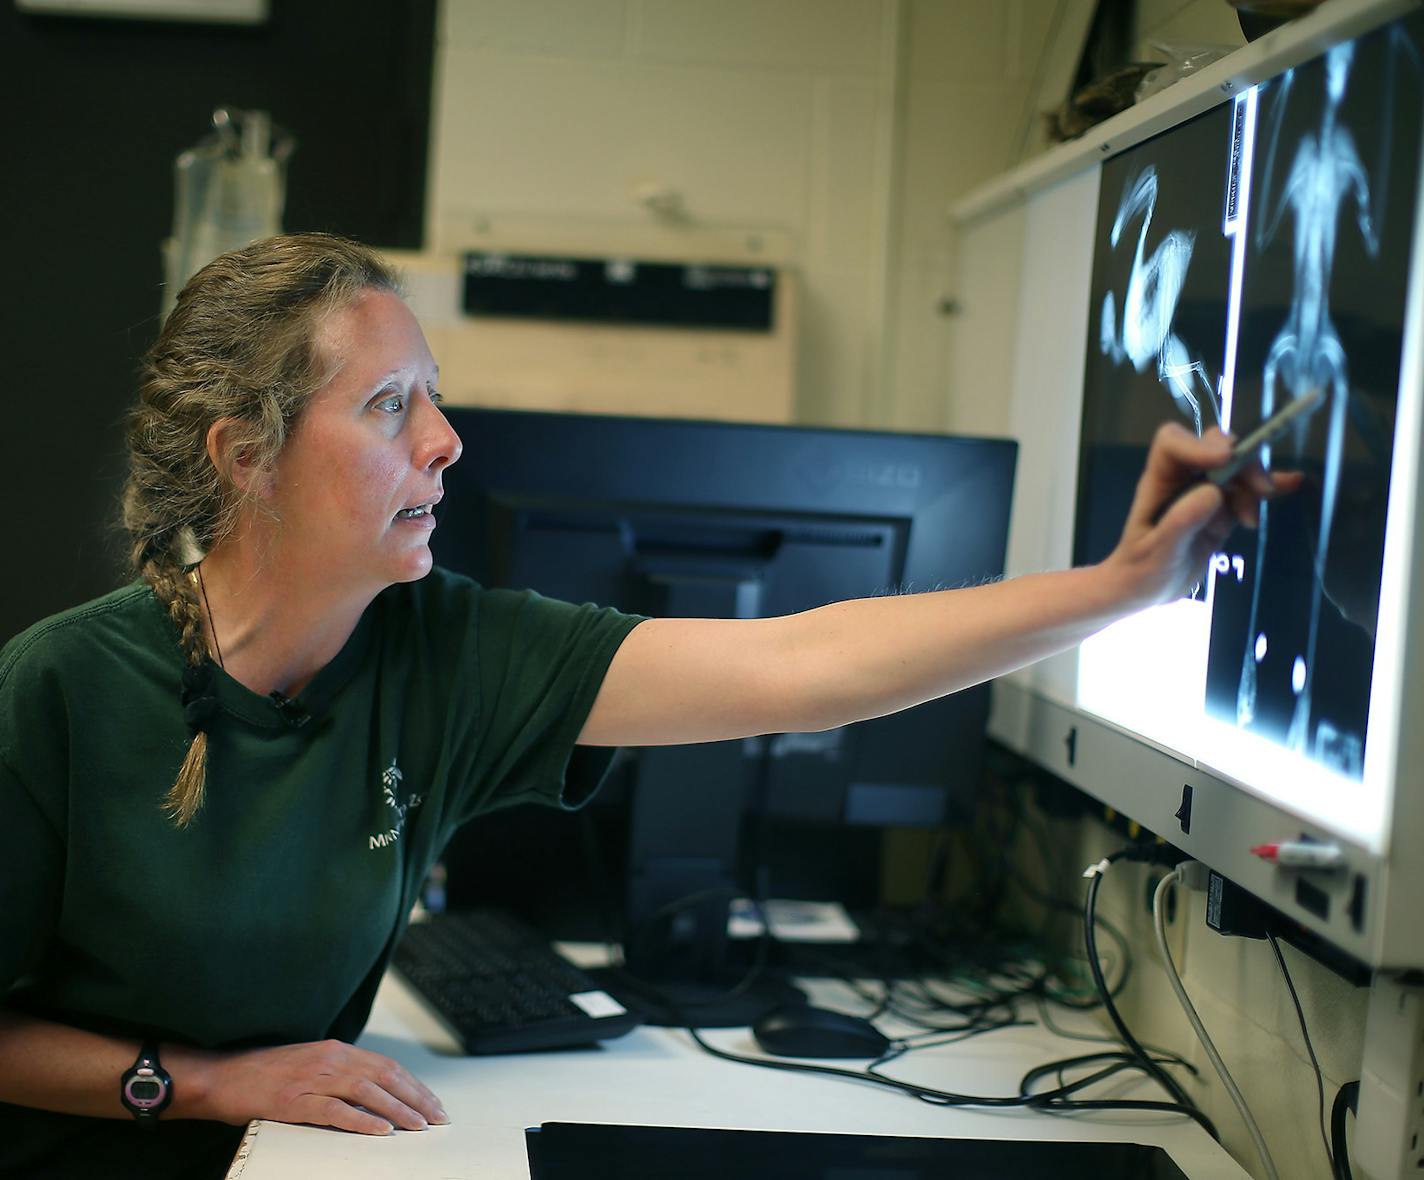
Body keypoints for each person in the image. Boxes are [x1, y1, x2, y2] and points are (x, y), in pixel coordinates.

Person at [0, 233, 1292, 1179]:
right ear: (248, 456)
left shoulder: (443, 653)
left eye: (435, 393)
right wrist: (206, 1083)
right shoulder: (61, 687)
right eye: (393, 406)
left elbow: (804, 664)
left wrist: (1121, 589)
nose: (447, 440)